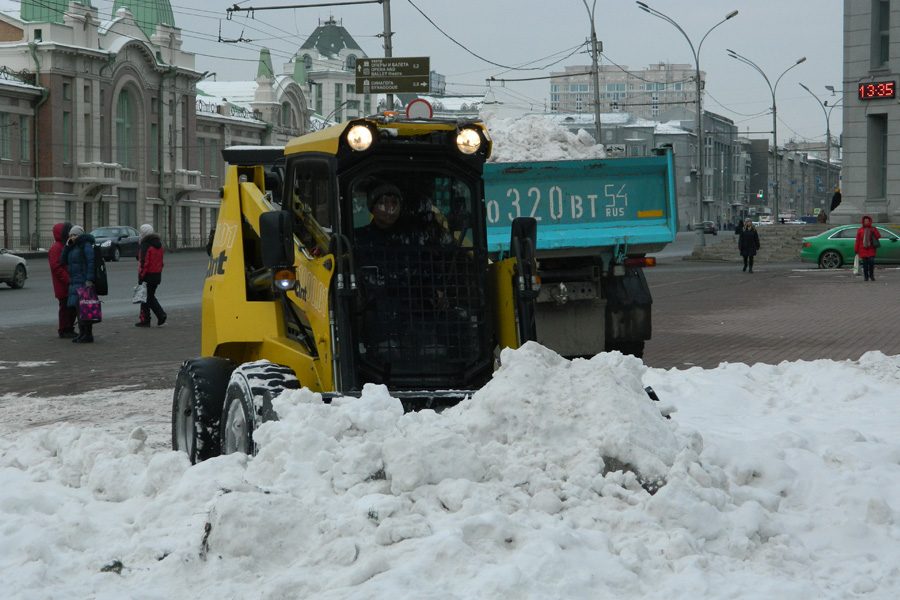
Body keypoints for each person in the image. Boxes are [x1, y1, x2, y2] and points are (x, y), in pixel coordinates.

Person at [60, 225, 97, 343]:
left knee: (85, 308)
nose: (72, 237)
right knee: (78, 309)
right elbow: (62, 260)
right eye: (71, 235)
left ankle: (88, 334)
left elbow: (91, 262)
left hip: (83, 281)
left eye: (75, 235)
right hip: (74, 282)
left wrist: (89, 279)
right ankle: (82, 333)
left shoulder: (85, 245)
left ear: (80, 235)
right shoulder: (72, 247)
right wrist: (67, 246)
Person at [135, 224, 167, 327]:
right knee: (148, 296)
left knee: (146, 297)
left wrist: (141, 276)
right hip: (157, 275)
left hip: (147, 275)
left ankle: (158, 315)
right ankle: (147, 319)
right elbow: (161, 262)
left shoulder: (146, 244)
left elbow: (144, 262)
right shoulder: (158, 244)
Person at [49, 222, 77, 338]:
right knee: (65, 308)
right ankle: (64, 329)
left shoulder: (65, 245)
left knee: (71, 307)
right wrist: (68, 279)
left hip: (68, 282)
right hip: (63, 284)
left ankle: (69, 328)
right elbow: (56, 267)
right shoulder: (56, 248)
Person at [854, 215, 881, 282]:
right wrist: (856, 249)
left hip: (871, 249)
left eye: (867, 221)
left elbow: (878, 236)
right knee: (865, 265)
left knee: (871, 262)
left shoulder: (873, 228)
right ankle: (866, 277)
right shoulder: (860, 230)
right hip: (863, 249)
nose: (866, 222)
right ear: (863, 222)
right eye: (865, 221)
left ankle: (871, 275)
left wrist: (874, 231)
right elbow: (857, 240)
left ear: (870, 221)